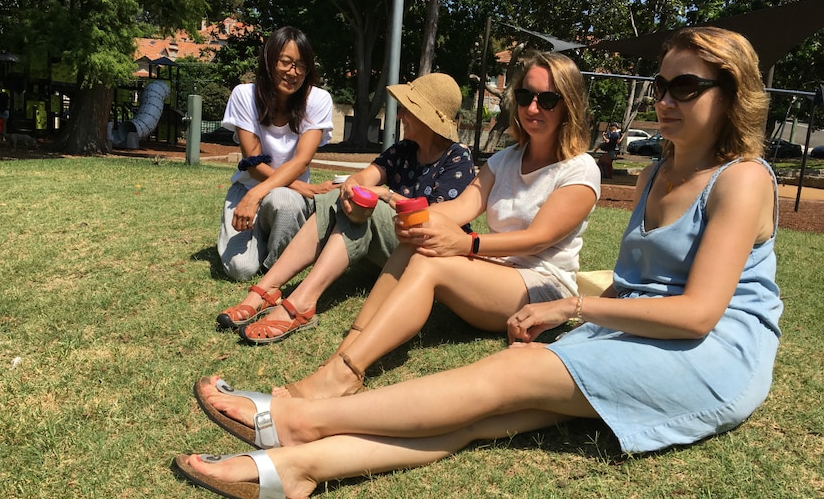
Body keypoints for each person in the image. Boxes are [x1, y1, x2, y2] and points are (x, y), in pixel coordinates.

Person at [174, 27, 783, 499]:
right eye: (661, 85)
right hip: (632, 326)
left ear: (733, 96)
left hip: (709, 353)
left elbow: (701, 313)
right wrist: (412, 216)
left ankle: (300, 418)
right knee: (484, 419)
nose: (666, 100)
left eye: (686, 87)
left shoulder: (742, 179)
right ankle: (300, 468)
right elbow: (468, 211)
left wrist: (572, 305)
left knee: (503, 380)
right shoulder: (657, 170)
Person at [263, 49, 600, 398]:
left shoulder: (579, 169)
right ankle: (348, 349)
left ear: (568, 104)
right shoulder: (505, 159)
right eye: (525, 96)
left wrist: (466, 245)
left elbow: (537, 239)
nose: (532, 108)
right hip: (494, 273)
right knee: (418, 241)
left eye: (547, 99)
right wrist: (411, 220)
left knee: (430, 264)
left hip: (541, 287)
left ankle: (346, 371)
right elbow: (460, 206)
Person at [217, 73, 476, 344]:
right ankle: (268, 289)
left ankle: (295, 299)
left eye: (407, 109)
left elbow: (437, 218)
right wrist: (352, 186)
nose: (401, 115)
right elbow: (367, 176)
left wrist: (385, 196)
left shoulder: (458, 158)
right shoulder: (404, 149)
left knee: (369, 206)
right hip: (393, 246)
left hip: (424, 253)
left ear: (426, 119)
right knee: (341, 198)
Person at [217, 27, 335, 281]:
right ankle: (268, 239)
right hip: (250, 188)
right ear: (269, 60)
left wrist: (262, 192)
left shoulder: (318, 99)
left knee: (281, 199)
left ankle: (276, 265)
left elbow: (302, 160)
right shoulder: (244, 95)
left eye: (301, 66)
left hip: (287, 198)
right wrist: (302, 188)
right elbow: (253, 163)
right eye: (285, 62)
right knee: (241, 270)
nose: (293, 72)